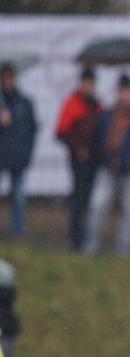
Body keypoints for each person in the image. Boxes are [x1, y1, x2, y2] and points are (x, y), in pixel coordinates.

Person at [83, 74, 130, 257]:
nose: (125, 96)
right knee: (97, 206)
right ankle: (91, 246)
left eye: (128, 92)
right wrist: (103, 159)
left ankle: (124, 252)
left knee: (129, 213)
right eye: (122, 92)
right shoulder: (106, 116)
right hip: (108, 169)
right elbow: (97, 142)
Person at [56, 66, 102, 251]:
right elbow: (61, 132)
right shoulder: (73, 103)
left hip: (94, 161)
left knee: (91, 200)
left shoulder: (97, 105)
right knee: (79, 199)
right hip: (79, 161)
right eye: (86, 83)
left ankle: (86, 238)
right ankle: (76, 238)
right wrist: (78, 148)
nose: (89, 87)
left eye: (91, 83)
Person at [0, 62, 38, 239]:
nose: (8, 80)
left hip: (17, 158)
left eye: (10, 77)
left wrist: (27, 154)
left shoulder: (24, 102)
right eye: (4, 77)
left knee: (18, 197)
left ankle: (17, 229)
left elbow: (32, 129)